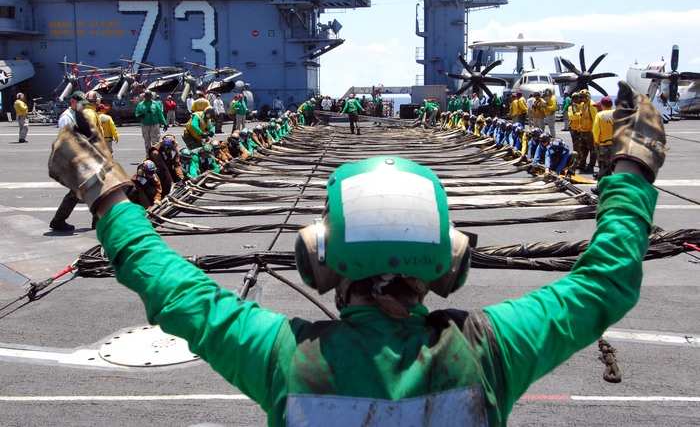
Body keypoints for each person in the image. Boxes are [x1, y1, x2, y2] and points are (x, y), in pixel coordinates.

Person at [47, 81, 666, 426]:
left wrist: (109, 198)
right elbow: (605, 283)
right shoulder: (490, 350)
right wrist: (633, 169)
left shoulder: (285, 356)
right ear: (448, 262)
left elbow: (171, 286)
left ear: (320, 257)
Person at [49, 91, 86, 232]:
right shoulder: (66, 117)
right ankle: (58, 220)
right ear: (73, 102)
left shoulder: (76, 115)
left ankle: (58, 220)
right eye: (81, 103)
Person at [593, 96, 615, 181]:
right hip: (616, 145)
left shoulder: (599, 115)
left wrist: (596, 142)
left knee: (604, 166)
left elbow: (596, 131)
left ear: (602, 105)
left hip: (604, 145)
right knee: (615, 167)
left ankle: (600, 187)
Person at [577, 90, 599, 173]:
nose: (580, 99)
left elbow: (595, 120)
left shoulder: (592, 105)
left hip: (590, 132)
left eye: (582, 97)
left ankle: (591, 166)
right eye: (580, 97)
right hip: (583, 131)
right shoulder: (583, 105)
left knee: (592, 150)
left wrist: (594, 133)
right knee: (583, 149)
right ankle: (582, 164)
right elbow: (581, 117)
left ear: (587, 97)